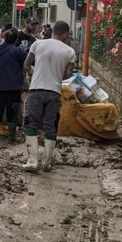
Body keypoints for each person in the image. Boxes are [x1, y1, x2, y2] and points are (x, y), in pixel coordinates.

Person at [22, 20, 76, 172]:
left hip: (36, 89)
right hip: (54, 92)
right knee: (50, 126)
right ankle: (47, 163)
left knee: (30, 123)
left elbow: (26, 64)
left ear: (52, 30)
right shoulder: (70, 52)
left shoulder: (38, 44)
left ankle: (33, 161)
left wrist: (35, 73)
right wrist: (56, 74)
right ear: (65, 34)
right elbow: (68, 75)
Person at [0, 28, 27, 144]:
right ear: (16, 40)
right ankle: (11, 138)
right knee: (12, 111)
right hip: (13, 86)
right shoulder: (18, 52)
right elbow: (28, 62)